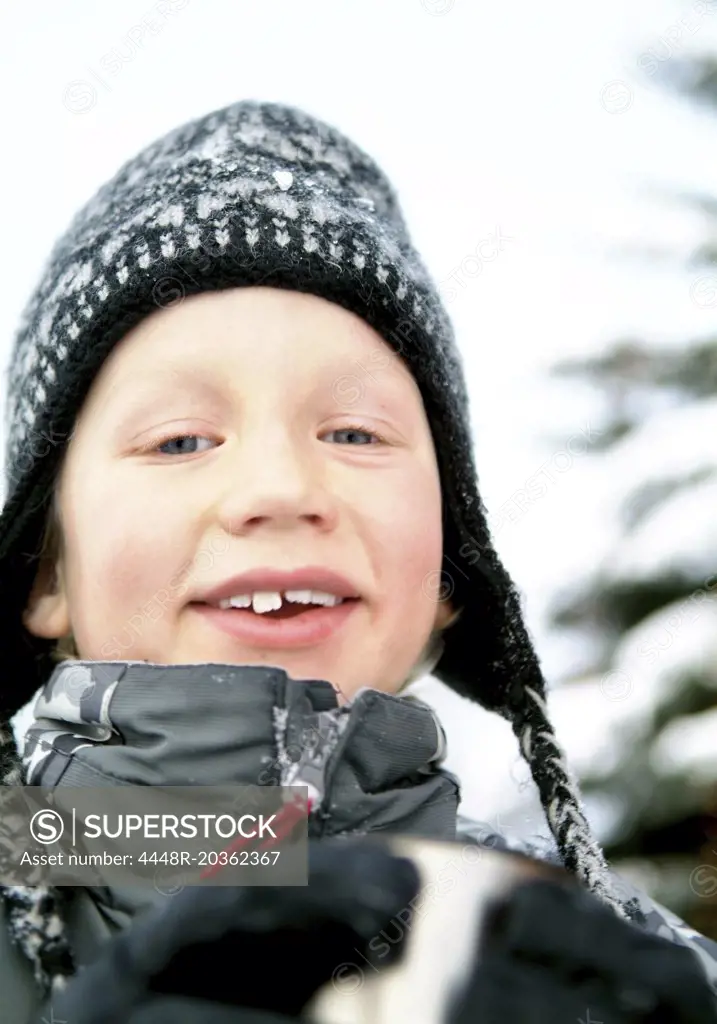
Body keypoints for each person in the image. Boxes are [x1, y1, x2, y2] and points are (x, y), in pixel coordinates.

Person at [0, 98, 714, 1023]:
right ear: (45, 574)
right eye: (179, 440)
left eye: (353, 430)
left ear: (454, 576)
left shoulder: (623, 978)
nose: (281, 484)